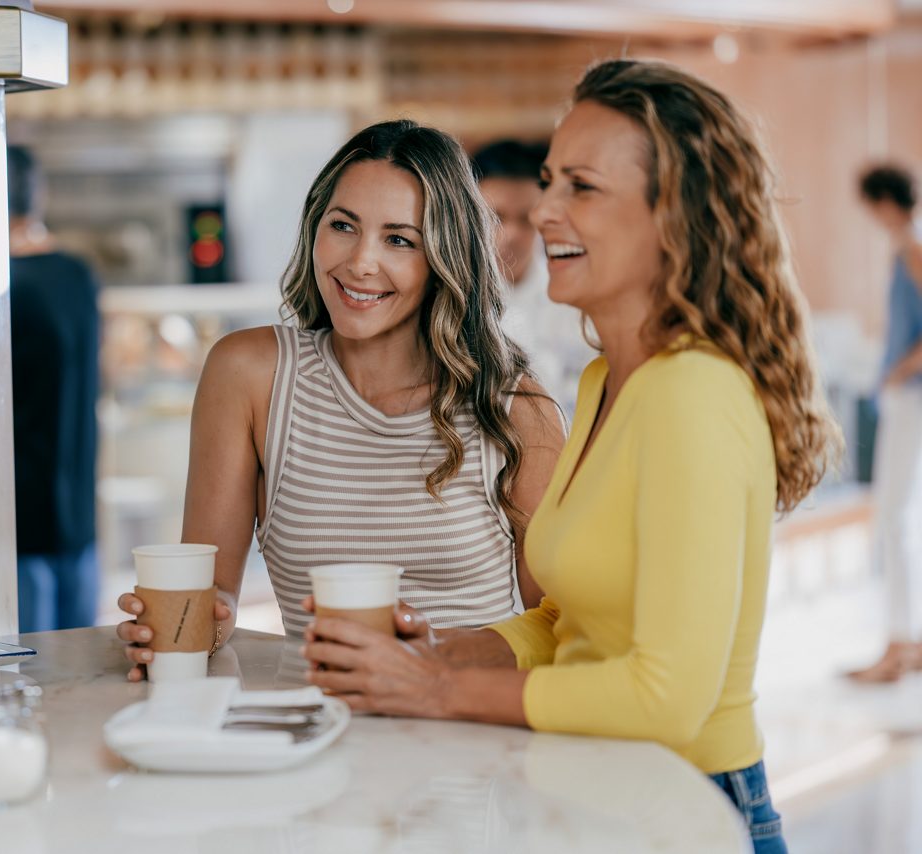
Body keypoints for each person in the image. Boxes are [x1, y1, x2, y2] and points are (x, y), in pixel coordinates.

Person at [302, 60, 843, 854]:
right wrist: (445, 649)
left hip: (688, 808)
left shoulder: (692, 393)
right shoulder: (605, 380)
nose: (541, 210)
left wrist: (442, 689)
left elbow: (667, 699)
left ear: (676, 217)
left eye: (579, 188)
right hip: (605, 799)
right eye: (548, 180)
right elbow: (573, 621)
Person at [116, 120, 566, 678]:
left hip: (472, 738)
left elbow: (560, 623)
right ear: (315, 229)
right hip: (318, 730)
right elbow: (213, 599)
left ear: (447, 258)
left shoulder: (518, 409)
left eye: (400, 239)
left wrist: (443, 653)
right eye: (344, 226)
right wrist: (177, 631)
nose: (359, 263)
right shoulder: (250, 374)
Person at [7, 145, 101, 631]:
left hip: (19, 521)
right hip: (79, 518)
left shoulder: (3, 286)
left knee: (27, 676)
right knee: (77, 672)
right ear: (37, 197)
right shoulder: (77, 274)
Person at [849, 164, 922, 681]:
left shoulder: (912, 246)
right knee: (898, 519)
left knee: (892, 517)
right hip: (905, 395)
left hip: (912, 397)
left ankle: (899, 645)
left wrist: (897, 372)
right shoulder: (907, 245)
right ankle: (904, 641)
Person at [472, 139, 592, 410]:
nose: (510, 235)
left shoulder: (580, 302)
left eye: (526, 218)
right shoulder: (443, 300)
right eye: (495, 217)